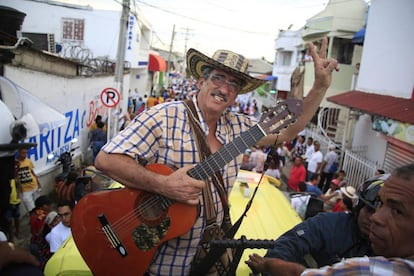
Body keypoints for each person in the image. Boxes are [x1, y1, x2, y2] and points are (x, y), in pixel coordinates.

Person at [95, 38, 338, 275]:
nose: (224, 88)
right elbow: (106, 160)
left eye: (233, 84)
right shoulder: (164, 117)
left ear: (236, 96)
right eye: (218, 78)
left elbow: (290, 128)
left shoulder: (240, 128)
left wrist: (319, 87)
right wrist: (163, 184)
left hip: (207, 261)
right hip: (156, 265)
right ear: (201, 81)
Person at [246, 164, 414, 275]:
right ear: (357, 207)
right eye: (372, 208)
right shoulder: (331, 224)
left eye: (397, 211)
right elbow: (289, 244)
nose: (376, 217)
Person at [29, 195, 52, 268]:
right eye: (47, 205)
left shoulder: (35, 213)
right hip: (39, 244)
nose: (49, 207)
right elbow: (37, 233)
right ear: (41, 206)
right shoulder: (40, 217)